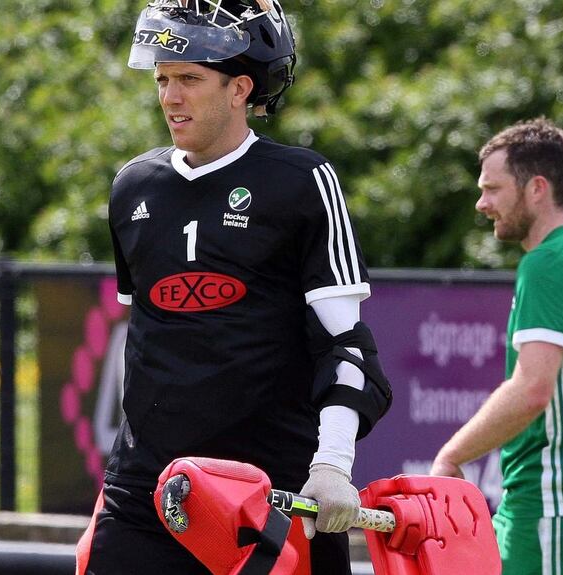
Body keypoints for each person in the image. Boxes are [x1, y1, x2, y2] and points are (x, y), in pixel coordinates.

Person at [77, 1, 392, 573]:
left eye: (189, 79)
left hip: (271, 497)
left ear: (240, 88)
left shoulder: (302, 181)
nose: (170, 97)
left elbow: (347, 349)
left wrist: (333, 465)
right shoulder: (132, 185)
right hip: (145, 496)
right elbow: (144, 342)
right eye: (162, 80)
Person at [430, 118, 563, 574]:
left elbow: (532, 389)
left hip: (559, 493)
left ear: (537, 188)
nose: (482, 204)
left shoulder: (551, 261)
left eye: (493, 189)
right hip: (547, 493)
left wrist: (451, 456)